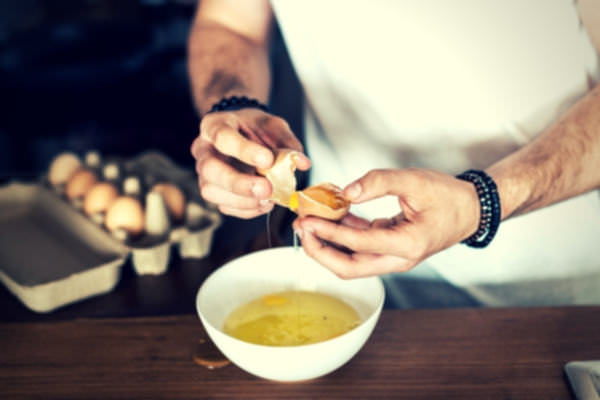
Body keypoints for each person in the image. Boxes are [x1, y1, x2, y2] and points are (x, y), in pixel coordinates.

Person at [188, 0, 600, 307]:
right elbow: (230, 24)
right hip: (349, 270)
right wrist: (231, 107)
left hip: (555, 294)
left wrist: (483, 202)